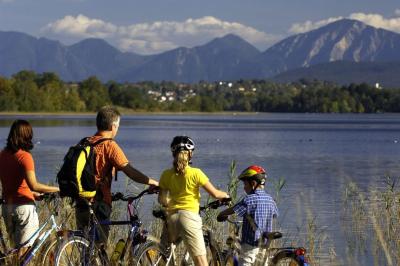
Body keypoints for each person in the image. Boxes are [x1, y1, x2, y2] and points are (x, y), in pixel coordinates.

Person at [74, 106, 158, 244]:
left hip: (81, 201)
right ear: (113, 126)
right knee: (98, 248)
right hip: (99, 203)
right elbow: (130, 171)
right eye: (117, 126)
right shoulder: (109, 145)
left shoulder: (85, 142)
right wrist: (152, 182)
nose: (117, 130)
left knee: (85, 247)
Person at [158, 136, 229, 266]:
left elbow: (161, 199)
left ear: (173, 154)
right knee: (201, 262)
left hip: (171, 218)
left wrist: (171, 204)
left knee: (164, 256)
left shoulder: (166, 174)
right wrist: (226, 195)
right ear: (190, 154)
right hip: (189, 217)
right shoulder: (196, 173)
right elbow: (215, 194)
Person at [0, 120, 60, 258]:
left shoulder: (3, 155)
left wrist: (31, 194)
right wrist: (56, 189)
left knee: (15, 252)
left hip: (7, 208)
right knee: (23, 253)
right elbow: (34, 184)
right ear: (27, 136)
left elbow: (13, 184)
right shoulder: (25, 156)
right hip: (24, 209)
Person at [217, 165, 278, 266]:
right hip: (264, 242)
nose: (244, 187)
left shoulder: (249, 199)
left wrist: (222, 213)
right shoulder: (270, 199)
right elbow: (274, 214)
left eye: (245, 184)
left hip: (250, 244)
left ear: (253, 183)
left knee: (245, 262)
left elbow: (235, 209)